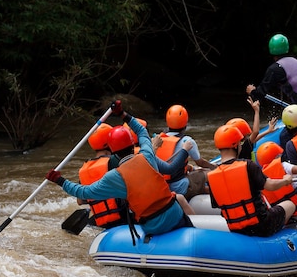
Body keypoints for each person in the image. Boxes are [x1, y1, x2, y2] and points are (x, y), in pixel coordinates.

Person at [45, 101, 195, 238]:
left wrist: (59, 180)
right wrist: (123, 114)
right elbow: (142, 131)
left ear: (113, 152)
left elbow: (83, 192)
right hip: (174, 214)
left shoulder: (114, 177)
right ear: (132, 145)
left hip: (153, 226)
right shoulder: (148, 154)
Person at [207, 124, 296, 237]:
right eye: (240, 143)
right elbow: (270, 185)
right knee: (290, 204)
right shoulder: (247, 165)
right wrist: (286, 180)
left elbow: (219, 206)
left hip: (236, 230)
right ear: (235, 145)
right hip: (262, 225)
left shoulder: (211, 176)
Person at [246, 33, 297, 150]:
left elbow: (259, 95)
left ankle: (288, 162)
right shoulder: (295, 60)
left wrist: (251, 91)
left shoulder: (275, 69)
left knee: (284, 136)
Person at [155, 104, 216, 200]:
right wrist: (213, 167)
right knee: (206, 174)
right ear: (185, 122)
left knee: (195, 175)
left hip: (163, 187)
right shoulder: (187, 141)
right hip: (179, 187)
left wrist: (189, 167)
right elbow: (200, 162)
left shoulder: (157, 140)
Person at [76, 122, 128, 228]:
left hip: (101, 221)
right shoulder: (114, 161)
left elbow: (80, 201)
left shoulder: (84, 169)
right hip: (123, 217)